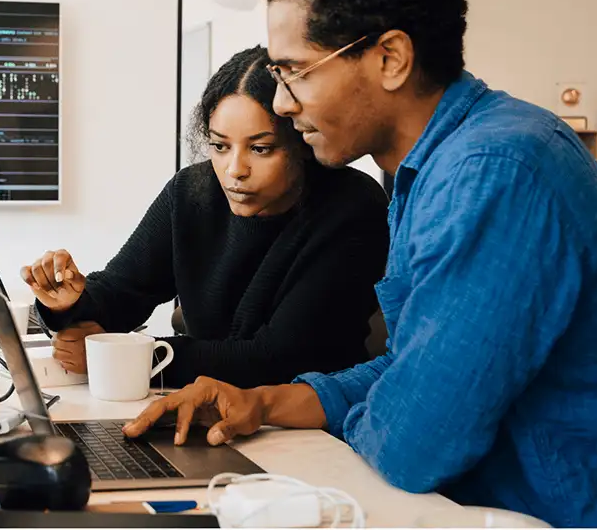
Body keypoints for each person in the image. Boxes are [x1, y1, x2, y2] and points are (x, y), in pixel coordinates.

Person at [123, 0, 597, 527]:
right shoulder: (431, 169)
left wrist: (377, 409)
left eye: (294, 73)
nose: (283, 103)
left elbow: (414, 444)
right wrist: (262, 402)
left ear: (390, 58)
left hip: (550, 512)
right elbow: (410, 364)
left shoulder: (492, 173)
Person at [21, 45, 389, 389]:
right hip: (209, 409)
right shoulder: (192, 192)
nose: (234, 170)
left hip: (312, 432)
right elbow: (123, 290)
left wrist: (127, 358)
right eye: (219, 146)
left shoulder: (351, 207)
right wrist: (67, 304)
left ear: (302, 143)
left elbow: (278, 359)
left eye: (260, 149)